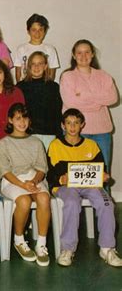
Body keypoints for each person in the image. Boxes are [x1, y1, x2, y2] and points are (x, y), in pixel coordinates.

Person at [47, 108, 122, 267]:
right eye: (68, 123)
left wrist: (104, 176)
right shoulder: (55, 145)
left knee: (107, 203)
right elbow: (50, 174)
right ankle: (67, 249)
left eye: (76, 123)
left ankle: (107, 248)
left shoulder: (91, 145)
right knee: (72, 203)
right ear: (63, 125)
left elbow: (101, 169)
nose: (72, 127)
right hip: (67, 187)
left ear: (83, 125)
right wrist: (60, 178)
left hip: (90, 185)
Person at [0, 103, 50, 266]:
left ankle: (41, 243)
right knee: (24, 201)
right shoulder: (3, 143)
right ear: (10, 120)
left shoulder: (36, 142)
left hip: (34, 179)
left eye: (25, 118)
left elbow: (42, 168)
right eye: (18, 118)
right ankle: (19, 239)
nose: (22, 122)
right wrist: (22, 184)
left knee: (43, 199)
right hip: (12, 180)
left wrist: (33, 181)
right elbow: (5, 171)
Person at [59, 39, 117, 173]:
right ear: (74, 55)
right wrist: (99, 102)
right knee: (77, 173)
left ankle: (103, 195)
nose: (83, 56)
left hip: (102, 132)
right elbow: (71, 103)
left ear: (92, 54)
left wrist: (83, 95)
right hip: (76, 131)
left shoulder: (104, 76)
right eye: (79, 53)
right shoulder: (67, 76)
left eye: (87, 52)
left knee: (102, 172)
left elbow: (112, 98)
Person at [17, 51, 62, 150]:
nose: (36, 67)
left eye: (40, 63)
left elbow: (58, 113)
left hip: (49, 135)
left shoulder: (53, 87)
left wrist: (59, 136)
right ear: (28, 66)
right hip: (27, 135)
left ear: (46, 66)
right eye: (33, 64)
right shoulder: (20, 87)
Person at [14, 14, 60, 82]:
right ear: (28, 31)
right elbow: (18, 74)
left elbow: (52, 75)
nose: (37, 33)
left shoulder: (50, 49)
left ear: (45, 31)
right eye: (34, 30)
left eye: (40, 30)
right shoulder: (21, 49)